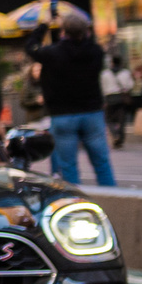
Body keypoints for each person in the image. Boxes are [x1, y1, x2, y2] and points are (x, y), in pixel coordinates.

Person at [29, 11, 114, 186]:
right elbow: (88, 44)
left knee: (68, 165)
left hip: (63, 115)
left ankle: (75, 203)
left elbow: (31, 47)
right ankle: (113, 198)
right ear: (86, 32)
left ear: (63, 32)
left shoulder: (53, 53)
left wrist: (44, 25)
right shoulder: (95, 52)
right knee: (102, 162)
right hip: (92, 112)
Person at [102, 49, 137, 150]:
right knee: (122, 119)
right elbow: (130, 85)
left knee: (108, 119)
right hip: (122, 98)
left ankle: (115, 134)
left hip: (110, 97)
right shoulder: (125, 72)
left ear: (111, 62)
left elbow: (103, 87)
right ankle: (120, 138)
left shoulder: (105, 74)